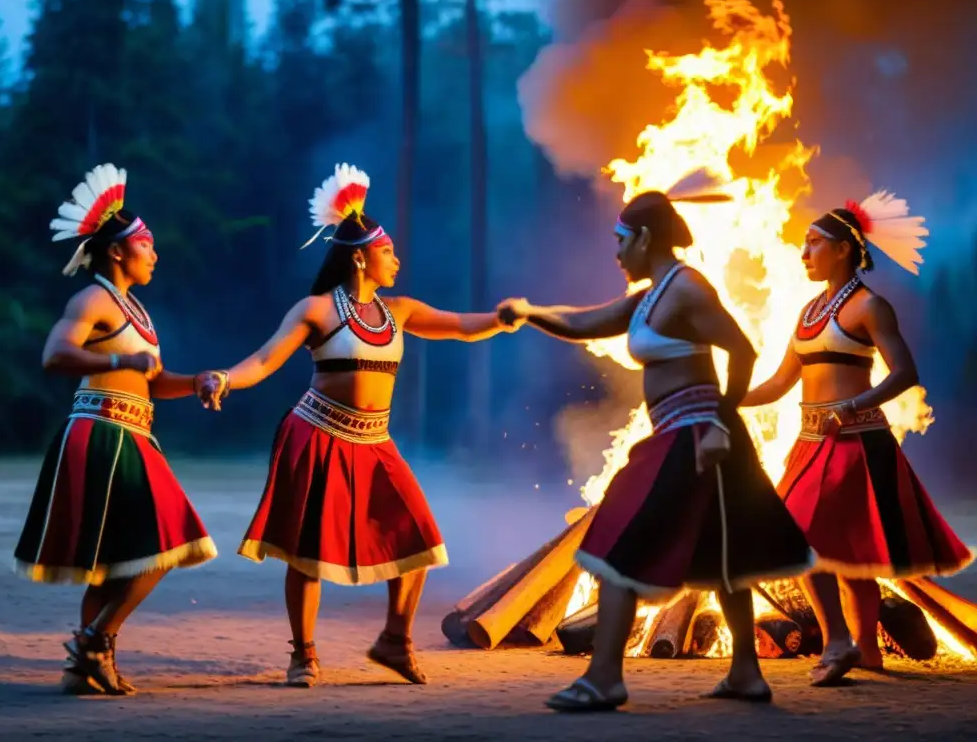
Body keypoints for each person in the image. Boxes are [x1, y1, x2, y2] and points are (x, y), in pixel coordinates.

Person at [195, 162, 521, 688]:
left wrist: (506, 317)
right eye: (387, 251)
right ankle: (303, 655)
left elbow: (461, 327)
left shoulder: (401, 310)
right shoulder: (317, 310)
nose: (396, 258)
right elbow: (261, 360)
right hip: (316, 434)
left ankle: (395, 640)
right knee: (308, 552)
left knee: (418, 538)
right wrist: (223, 379)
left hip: (374, 441)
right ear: (360, 257)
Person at [498, 172, 815, 711]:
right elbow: (585, 321)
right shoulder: (650, 298)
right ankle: (746, 674)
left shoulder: (688, 287)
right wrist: (532, 314)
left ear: (645, 238)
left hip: (699, 434)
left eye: (621, 243)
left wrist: (719, 419)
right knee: (725, 555)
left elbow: (741, 349)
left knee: (618, 540)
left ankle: (605, 679)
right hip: (676, 432)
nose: (617, 255)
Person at [740, 191, 974, 685]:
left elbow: (905, 372)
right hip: (810, 443)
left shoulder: (870, 306)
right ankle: (866, 652)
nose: (804, 254)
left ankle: (839, 643)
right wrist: (727, 399)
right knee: (846, 554)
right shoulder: (808, 312)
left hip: (858, 445)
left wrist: (850, 407)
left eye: (813, 243)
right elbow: (780, 384)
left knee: (803, 541)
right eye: (803, 245)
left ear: (844, 249)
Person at [13, 163, 219, 697]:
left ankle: (84, 667)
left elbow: (150, 379)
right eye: (146, 245)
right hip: (102, 431)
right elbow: (55, 353)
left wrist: (194, 382)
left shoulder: (135, 311)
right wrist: (117, 365)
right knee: (174, 539)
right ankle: (92, 641)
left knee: (108, 565)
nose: (154, 254)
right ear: (116, 252)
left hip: (131, 431)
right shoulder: (93, 300)